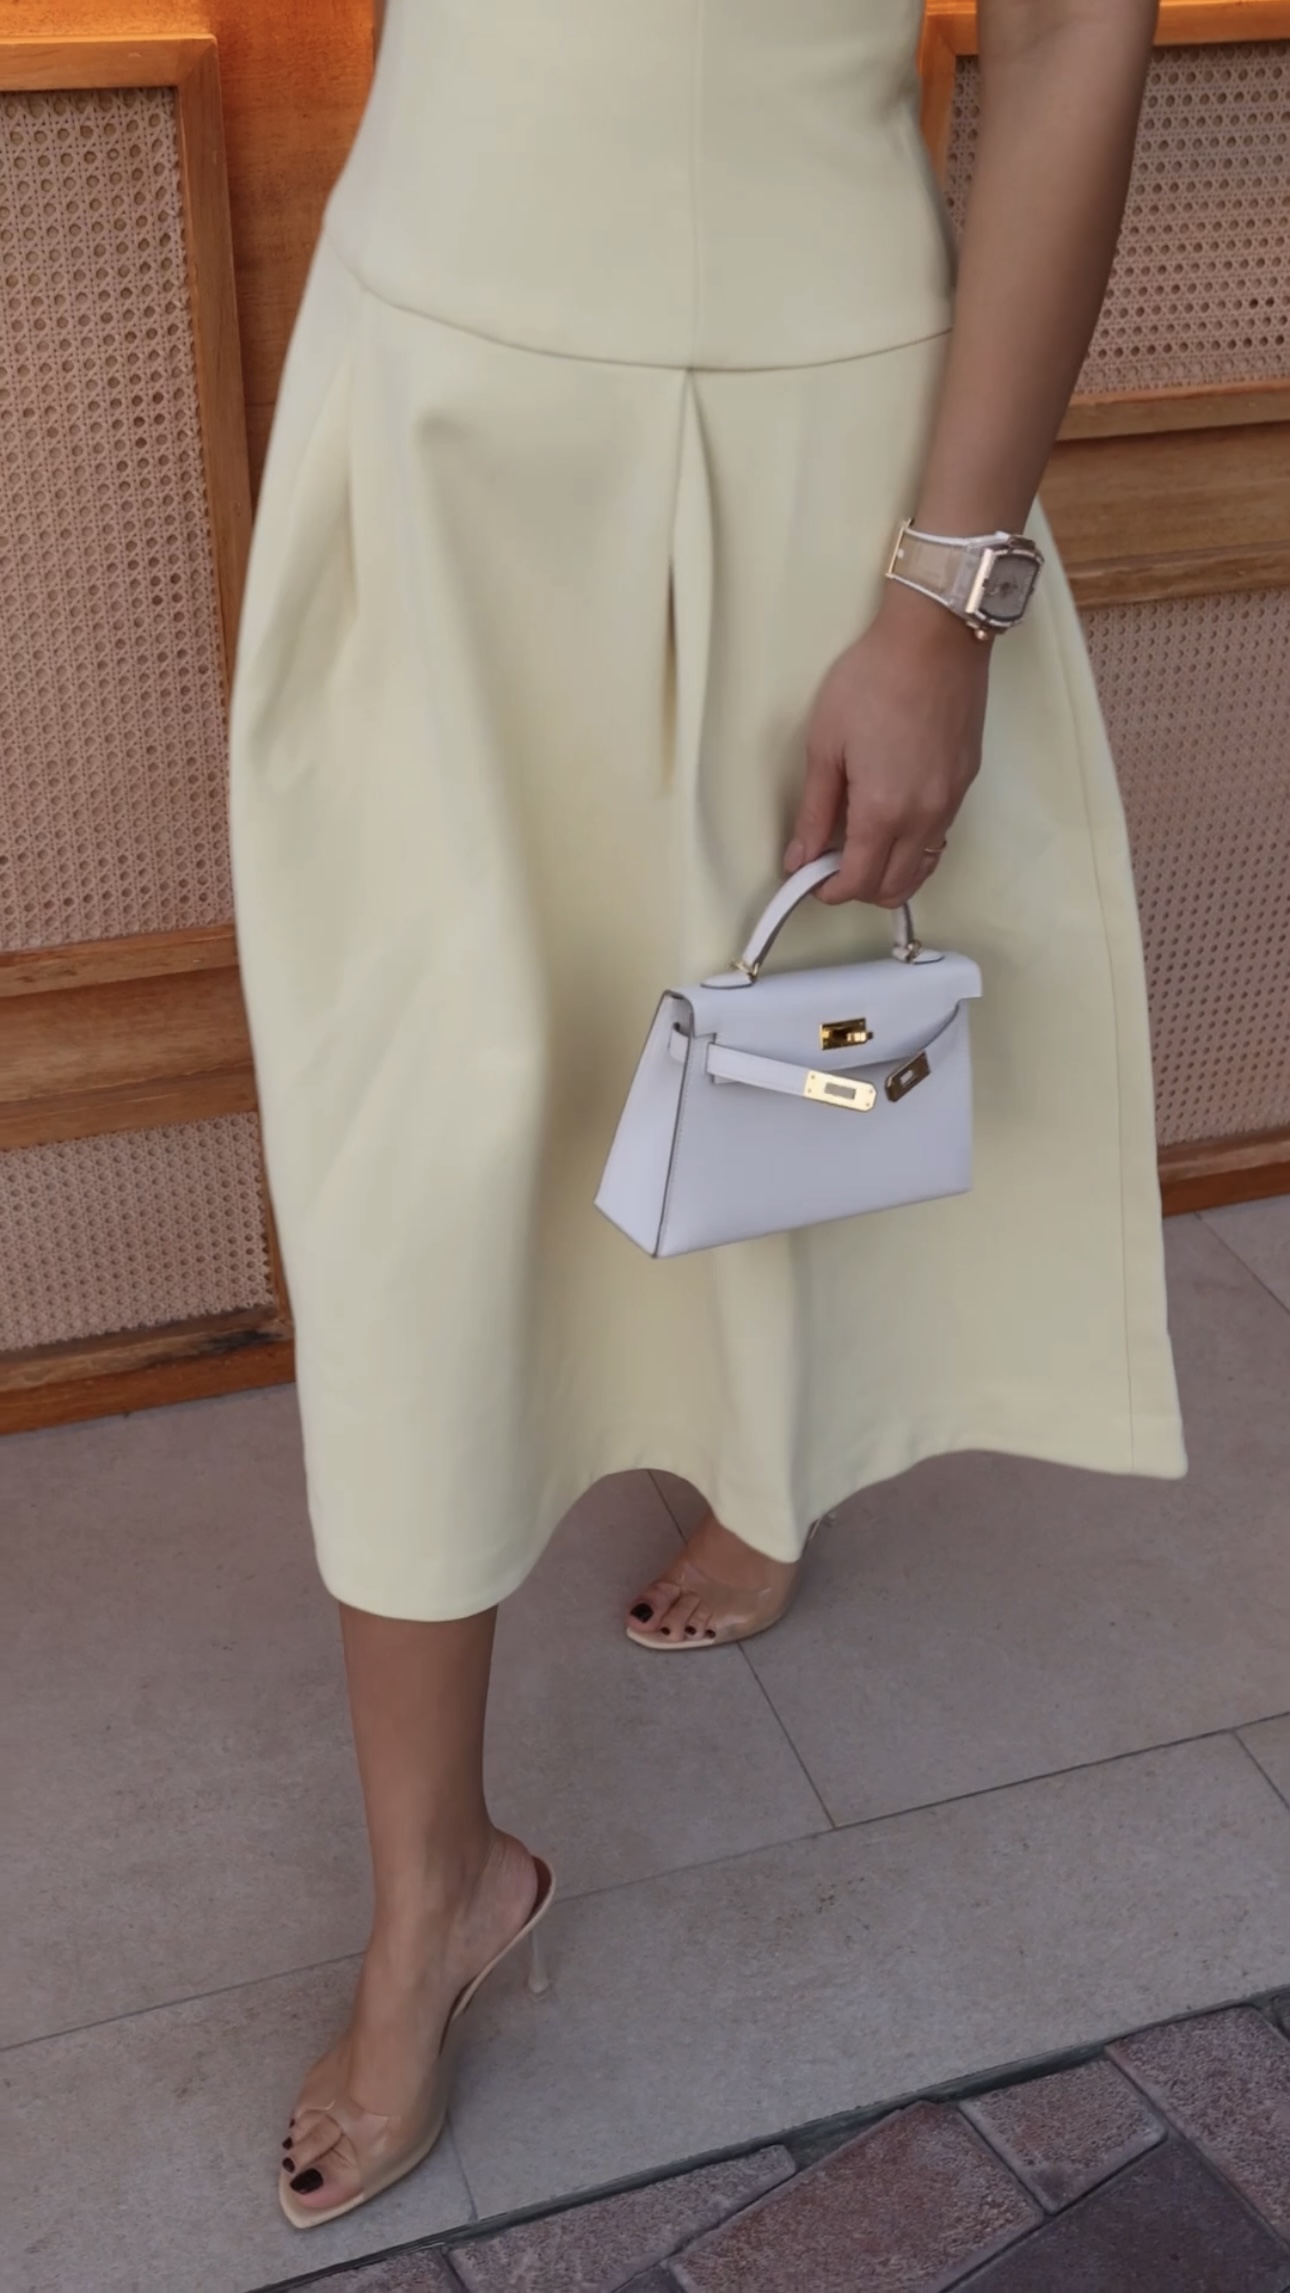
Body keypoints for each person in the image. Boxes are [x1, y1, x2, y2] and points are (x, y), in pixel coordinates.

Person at [229, 0, 1183, 2229]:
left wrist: (945, 598)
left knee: (774, 1032)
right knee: (414, 1154)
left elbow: (1071, 26)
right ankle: (434, 1885)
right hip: (439, 389)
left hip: (815, 417)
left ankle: (767, 1465)